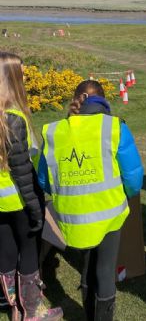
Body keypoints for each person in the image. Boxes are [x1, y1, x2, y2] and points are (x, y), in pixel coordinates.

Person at [37, 80, 144, 320]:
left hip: (74, 217)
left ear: (79, 99)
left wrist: (68, 194)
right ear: (103, 101)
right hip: (109, 214)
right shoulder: (115, 127)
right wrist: (126, 193)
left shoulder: (54, 132)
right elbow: (133, 177)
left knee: (87, 266)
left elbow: (44, 179)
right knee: (105, 270)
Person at [0, 52, 63, 321]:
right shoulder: (13, 118)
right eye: (22, 74)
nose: (25, 78)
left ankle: (13, 306)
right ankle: (32, 312)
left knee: (5, 251)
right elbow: (22, 171)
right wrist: (36, 208)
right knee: (28, 252)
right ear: (11, 78)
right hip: (19, 200)